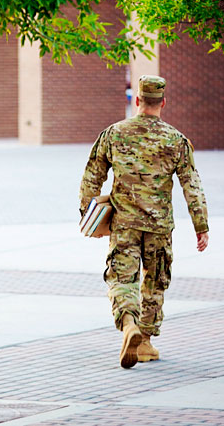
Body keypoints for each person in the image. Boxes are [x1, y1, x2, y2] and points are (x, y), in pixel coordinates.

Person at [79, 75, 209, 369]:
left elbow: (91, 178)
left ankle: (129, 326)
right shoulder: (176, 139)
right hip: (159, 227)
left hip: (124, 224)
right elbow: (192, 186)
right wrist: (201, 226)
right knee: (154, 282)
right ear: (163, 103)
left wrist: (88, 217)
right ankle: (146, 343)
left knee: (121, 279)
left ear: (137, 100)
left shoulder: (113, 134)